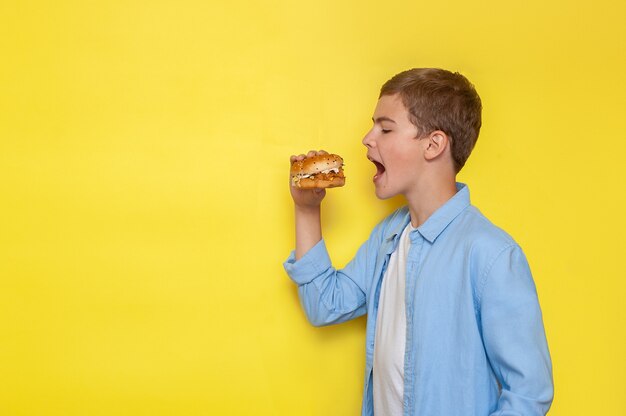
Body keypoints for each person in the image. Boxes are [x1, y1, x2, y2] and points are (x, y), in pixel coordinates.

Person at [283, 68, 553, 416]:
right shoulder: (389, 237)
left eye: (385, 127)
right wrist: (307, 210)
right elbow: (325, 305)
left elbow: (529, 394)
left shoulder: (490, 255)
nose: (367, 138)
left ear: (433, 144)